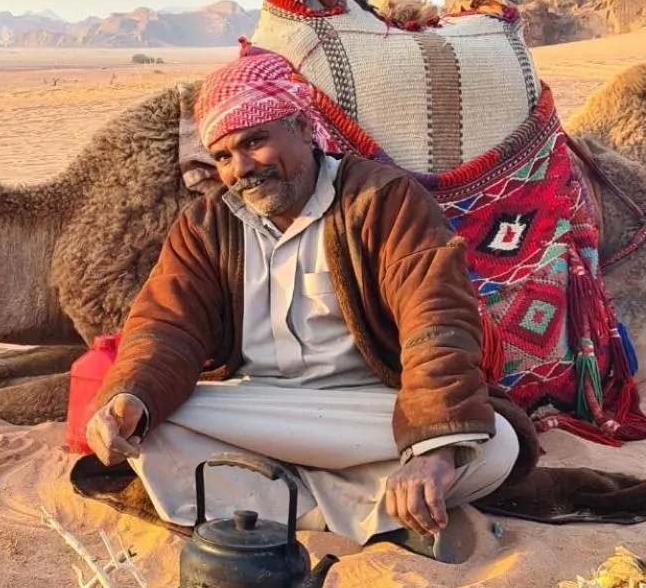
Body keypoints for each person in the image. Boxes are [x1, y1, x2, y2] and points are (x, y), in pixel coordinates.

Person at [85, 42, 525, 561]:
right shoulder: (206, 225)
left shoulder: (382, 201)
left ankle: (272, 504)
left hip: (369, 411)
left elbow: (437, 321)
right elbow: (166, 326)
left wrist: (433, 450)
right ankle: (365, 513)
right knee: (152, 426)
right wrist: (131, 399)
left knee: (494, 444)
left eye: (254, 142)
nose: (240, 169)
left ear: (300, 126)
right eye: (223, 157)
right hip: (262, 409)